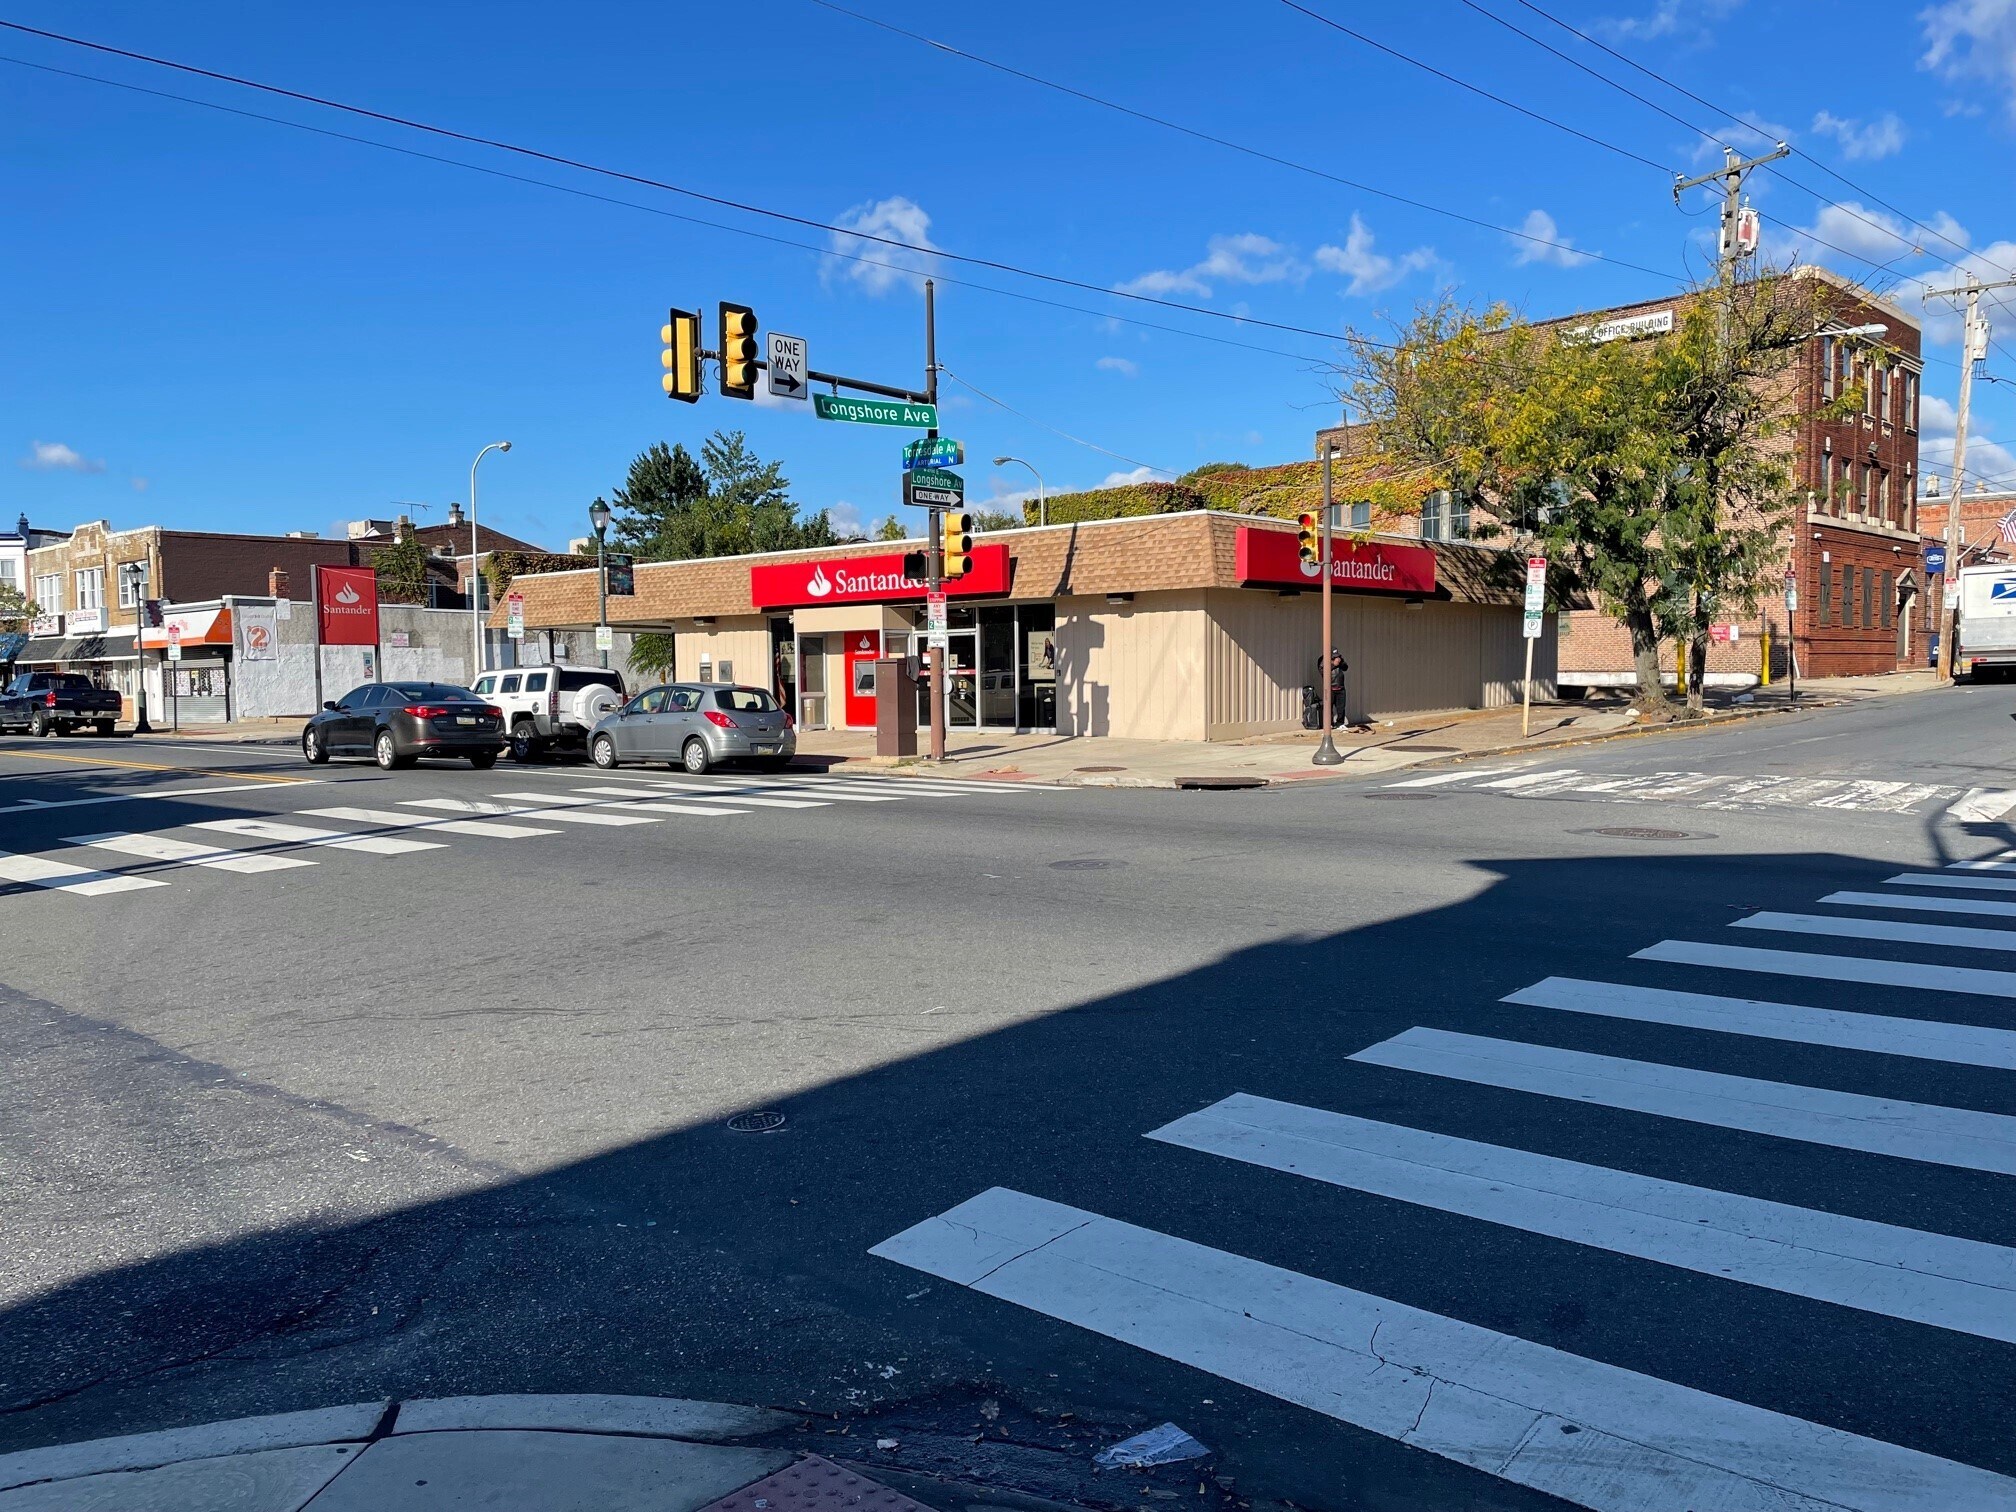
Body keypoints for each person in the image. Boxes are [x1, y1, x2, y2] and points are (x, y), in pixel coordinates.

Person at [1326, 648, 1349, 729]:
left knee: (1341, 707)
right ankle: (1330, 723)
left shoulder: (1340, 661)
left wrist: (1340, 661)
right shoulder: (1323, 661)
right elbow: (1322, 671)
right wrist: (1333, 664)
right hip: (1330, 688)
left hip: (1340, 688)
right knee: (1329, 708)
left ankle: (1340, 723)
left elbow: (1345, 667)